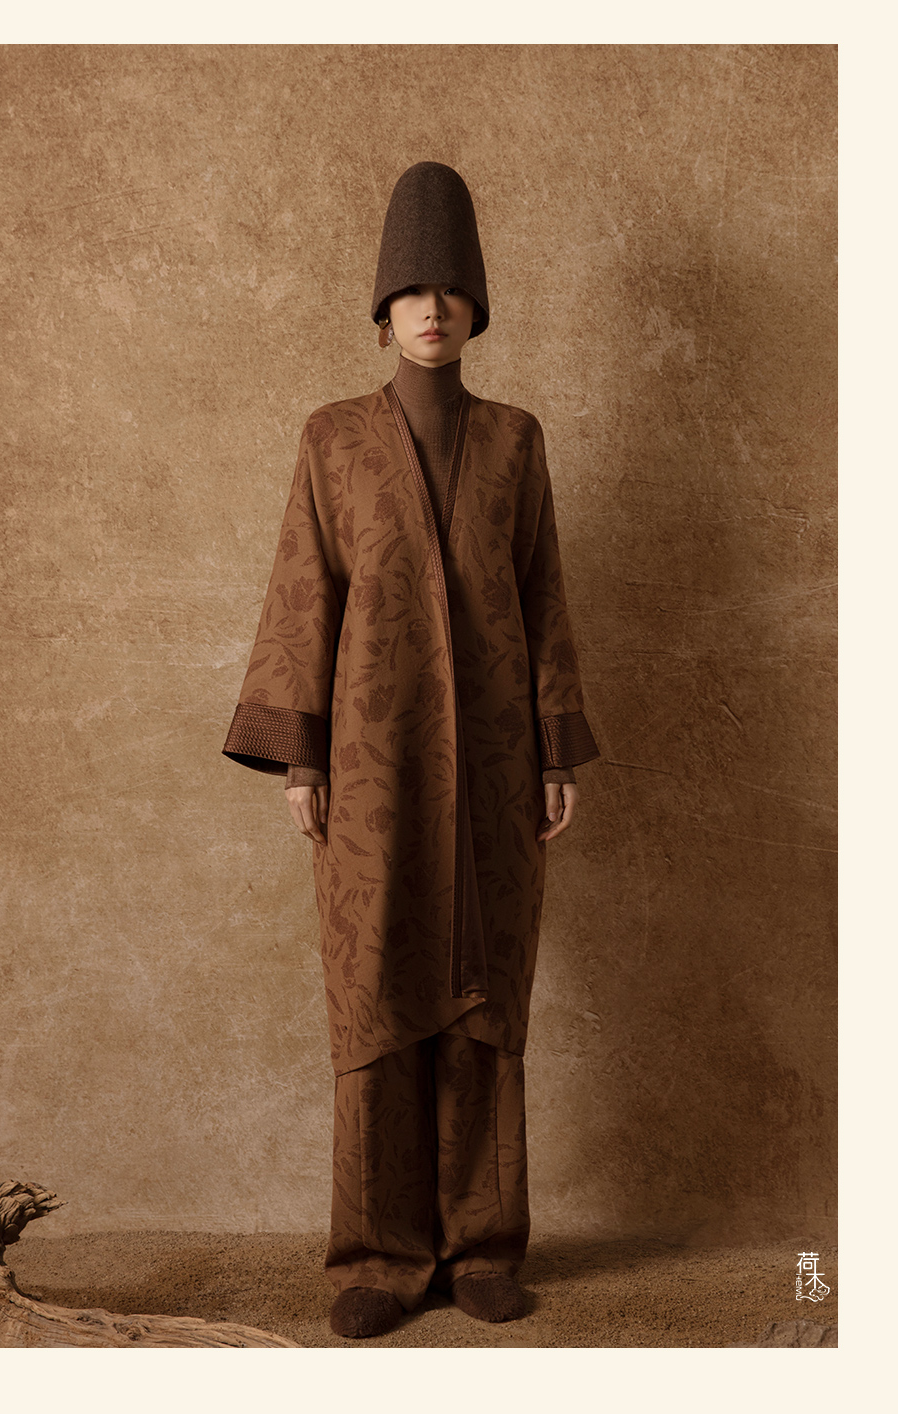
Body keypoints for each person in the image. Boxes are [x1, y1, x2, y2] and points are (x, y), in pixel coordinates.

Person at [223, 162, 599, 1339]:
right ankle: (382, 1252)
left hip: (494, 764)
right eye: (411, 290)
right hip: (373, 762)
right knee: (378, 983)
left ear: (477, 304)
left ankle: (483, 1243)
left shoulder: (517, 442)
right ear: (381, 309)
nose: (432, 308)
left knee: (485, 986)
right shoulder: (333, 440)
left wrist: (555, 750)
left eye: (451, 288)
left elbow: (543, 598)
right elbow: (304, 593)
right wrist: (303, 758)